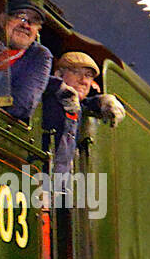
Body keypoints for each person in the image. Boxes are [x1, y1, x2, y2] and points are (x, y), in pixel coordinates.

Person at [41, 51, 126, 181]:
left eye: (88, 76)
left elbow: (85, 104)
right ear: (59, 74)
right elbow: (39, 80)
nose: (83, 80)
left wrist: (102, 101)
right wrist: (60, 88)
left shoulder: (79, 106)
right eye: (75, 72)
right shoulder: (47, 93)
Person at [0, 0, 52, 123]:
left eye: (34, 22)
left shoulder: (38, 56)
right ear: (3, 20)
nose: (26, 25)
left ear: (37, 31)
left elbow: (21, 106)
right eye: (21, 17)